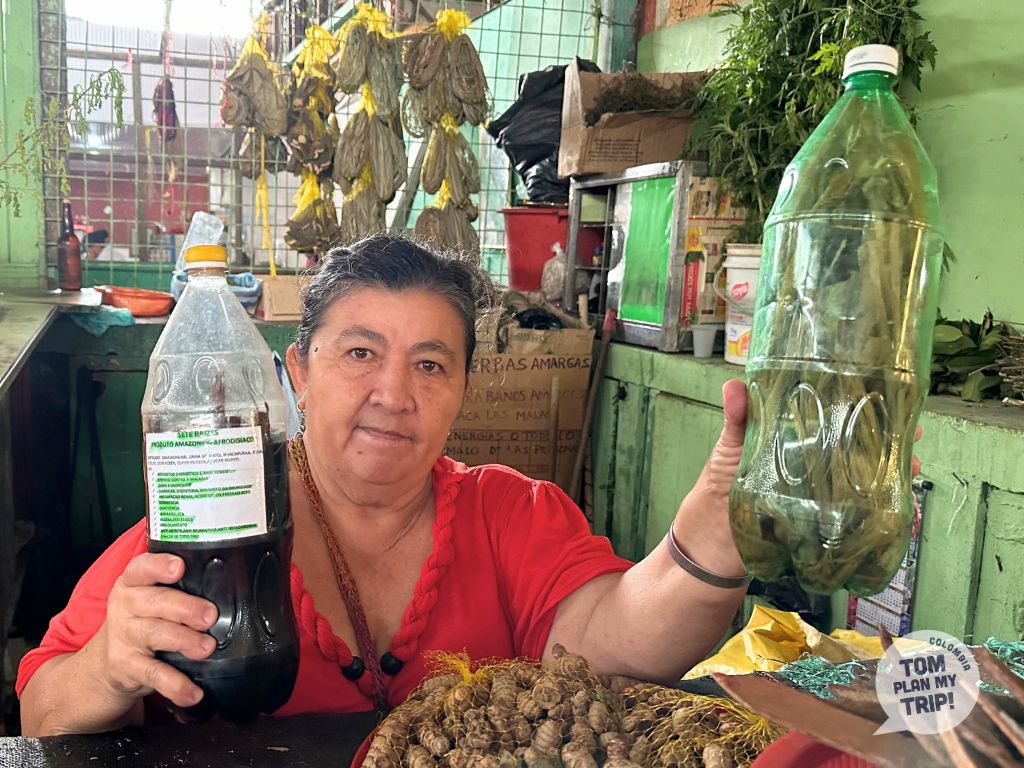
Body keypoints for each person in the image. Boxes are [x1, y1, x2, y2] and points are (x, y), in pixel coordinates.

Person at [15, 234, 921, 737]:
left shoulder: (510, 513)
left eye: (431, 364)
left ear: (461, 393)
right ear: (295, 372)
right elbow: (41, 706)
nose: (392, 395)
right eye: (360, 353)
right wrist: (106, 666)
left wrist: (709, 544)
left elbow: (613, 643)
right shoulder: (216, 526)